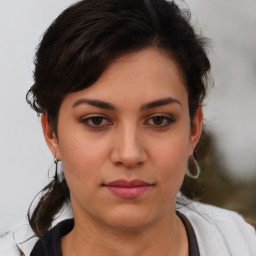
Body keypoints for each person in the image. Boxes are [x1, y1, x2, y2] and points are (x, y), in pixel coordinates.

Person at [0, 0, 255, 255]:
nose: (129, 154)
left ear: (193, 129)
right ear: (52, 133)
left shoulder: (243, 245)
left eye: (158, 120)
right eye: (96, 120)